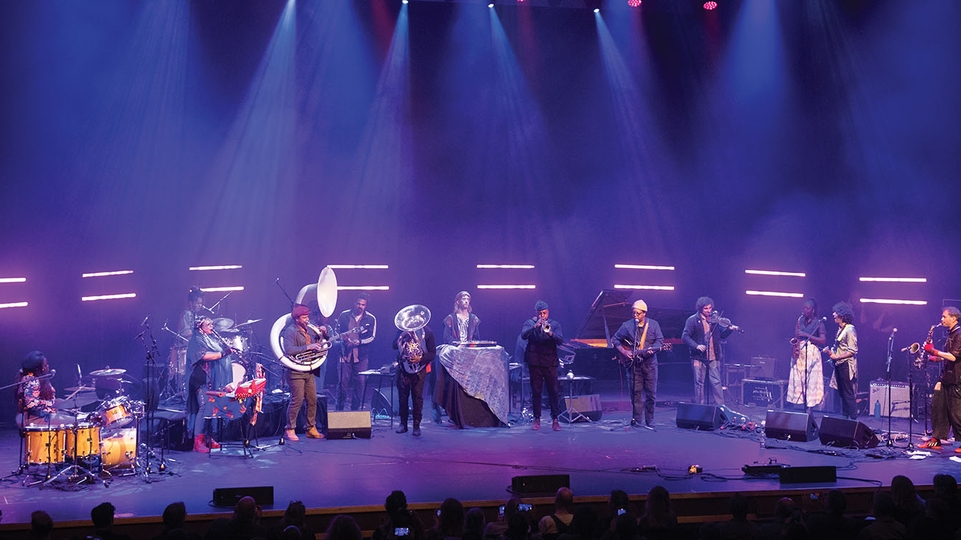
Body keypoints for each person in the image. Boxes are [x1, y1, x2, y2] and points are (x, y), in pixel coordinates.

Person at [613, 299, 664, 429]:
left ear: (644, 313)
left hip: (650, 364)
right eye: (633, 313)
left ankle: (650, 419)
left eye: (638, 313)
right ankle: (637, 419)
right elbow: (615, 339)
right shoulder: (627, 326)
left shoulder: (654, 325)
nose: (635, 315)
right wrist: (624, 352)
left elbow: (660, 341)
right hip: (634, 366)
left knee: (651, 393)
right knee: (635, 393)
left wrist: (653, 348)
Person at [681, 297, 739, 405]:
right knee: (699, 383)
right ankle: (700, 406)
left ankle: (721, 406)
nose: (709, 311)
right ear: (700, 309)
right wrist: (696, 346)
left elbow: (722, 336)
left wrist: (729, 330)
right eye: (706, 309)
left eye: (710, 308)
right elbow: (685, 337)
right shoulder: (692, 320)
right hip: (698, 357)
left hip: (713, 356)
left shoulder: (715, 320)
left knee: (716, 382)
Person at [918, 306, 961, 451]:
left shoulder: (959, 334)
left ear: (954, 318)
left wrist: (933, 350)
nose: (941, 319)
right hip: (946, 377)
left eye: (944, 316)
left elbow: (953, 357)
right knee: (937, 408)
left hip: (957, 379)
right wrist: (931, 358)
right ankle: (936, 439)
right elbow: (946, 357)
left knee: (956, 413)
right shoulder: (950, 334)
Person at [282, 303, 327, 442]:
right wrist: (308, 347)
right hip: (296, 371)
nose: (307, 319)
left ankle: (311, 428)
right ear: (297, 319)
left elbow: (322, 342)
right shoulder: (290, 331)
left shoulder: (310, 329)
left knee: (312, 400)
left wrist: (324, 333)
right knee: (297, 400)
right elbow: (289, 350)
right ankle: (289, 429)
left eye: (307, 317)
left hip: (309, 369)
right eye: (304, 317)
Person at [186, 317, 229, 452]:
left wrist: (225, 347)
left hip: (210, 379)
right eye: (208, 324)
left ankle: (209, 438)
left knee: (212, 408)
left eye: (212, 323)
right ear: (200, 327)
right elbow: (204, 356)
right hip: (200, 379)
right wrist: (222, 353)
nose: (212, 326)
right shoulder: (196, 339)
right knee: (204, 408)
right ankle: (197, 443)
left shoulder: (209, 338)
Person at [521, 300, 564, 431]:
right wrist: (535, 327)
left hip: (550, 362)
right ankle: (537, 419)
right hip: (535, 362)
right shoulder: (529, 323)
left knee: (554, 391)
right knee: (536, 392)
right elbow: (523, 335)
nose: (542, 316)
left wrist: (550, 332)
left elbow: (560, 340)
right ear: (536, 313)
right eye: (540, 313)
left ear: (548, 312)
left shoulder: (555, 324)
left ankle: (555, 420)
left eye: (544, 313)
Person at [393, 324, 437, 437]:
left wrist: (420, 358)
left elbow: (432, 353)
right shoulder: (402, 330)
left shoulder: (427, 332)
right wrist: (402, 338)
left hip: (419, 369)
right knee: (403, 397)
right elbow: (394, 345)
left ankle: (416, 425)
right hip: (404, 367)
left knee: (417, 397)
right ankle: (403, 424)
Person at [335, 293, 377, 411]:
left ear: (366, 306)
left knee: (360, 383)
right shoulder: (344, 315)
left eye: (363, 305)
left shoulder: (371, 318)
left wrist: (360, 341)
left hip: (361, 356)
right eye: (358, 303)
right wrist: (343, 339)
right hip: (344, 354)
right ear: (354, 303)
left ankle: (355, 409)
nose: (360, 306)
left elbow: (372, 337)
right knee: (342, 382)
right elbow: (337, 332)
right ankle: (339, 408)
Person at [788, 298, 827, 413]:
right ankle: (800, 407)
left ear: (813, 310)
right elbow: (797, 336)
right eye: (803, 308)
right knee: (799, 380)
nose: (804, 310)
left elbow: (823, 340)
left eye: (807, 308)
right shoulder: (800, 320)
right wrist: (795, 342)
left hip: (812, 354)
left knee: (811, 381)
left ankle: (810, 409)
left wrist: (805, 334)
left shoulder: (819, 323)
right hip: (800, 352)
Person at [16, 351, 75, 427]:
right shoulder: (31, 380)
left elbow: (50, 400)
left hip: (44, 415)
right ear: (39, 368)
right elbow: (30, 403)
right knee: (74, 421)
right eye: (45, 365)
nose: (48, 366)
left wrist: (67, 404)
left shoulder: (42, 379)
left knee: (71, 415)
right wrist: (49, 403)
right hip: (35, 418)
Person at [824, 302, 859, 420]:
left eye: (836, 312)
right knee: (842, 393)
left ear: (842, 315)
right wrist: (831, 353)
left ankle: (854, 421)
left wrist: (837, 357)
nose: (833, 314)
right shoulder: (840, 329)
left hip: (846, 365)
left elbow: (852, 350)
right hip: (839, 365)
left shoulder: (850, 329)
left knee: (848, 394)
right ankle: (845, 419)